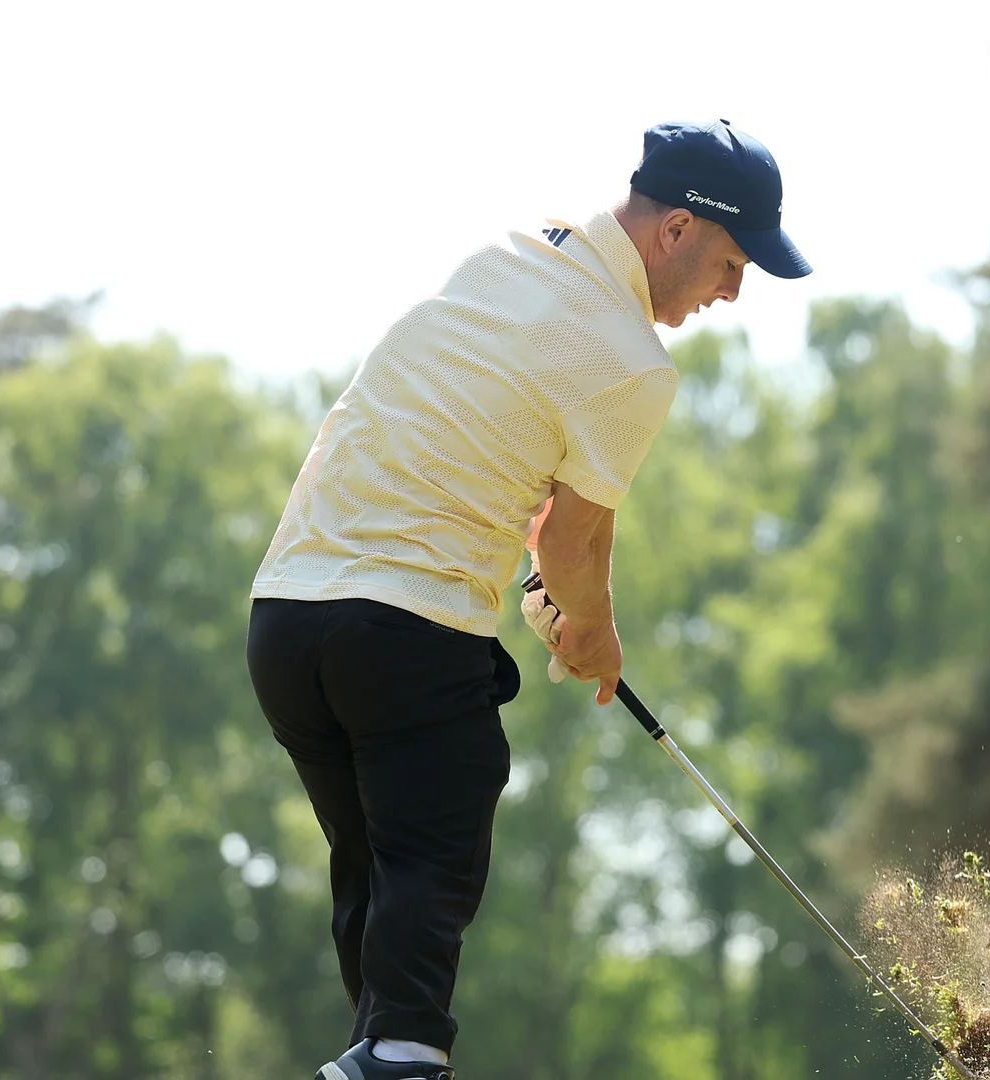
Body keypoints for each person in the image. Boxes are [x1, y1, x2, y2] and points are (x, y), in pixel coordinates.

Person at [244, 119, 811, 1080]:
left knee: (377, 867)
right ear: (675, 230)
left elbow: (509, 460)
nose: (732, 290)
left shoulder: (509, 253)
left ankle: (379, 1052)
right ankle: (401, 1054)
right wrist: (593, 635)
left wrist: (549, 581)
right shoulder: (632, 360)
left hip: (286, 623)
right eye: (729, 260)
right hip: (403, 624)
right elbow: (577, 539)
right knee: (445, 808)